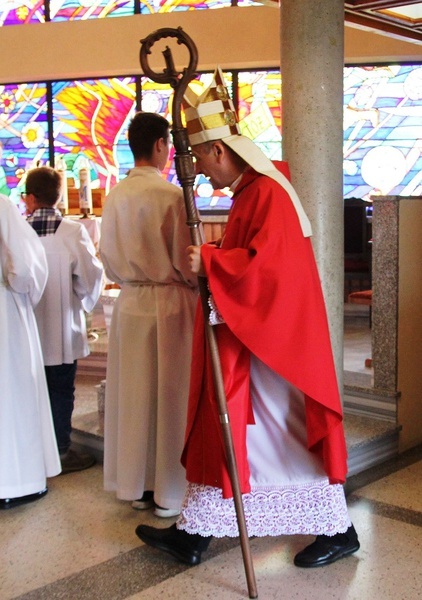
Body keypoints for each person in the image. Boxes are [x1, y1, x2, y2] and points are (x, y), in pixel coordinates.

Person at [136, 67, 360, 568]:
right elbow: (254, 255)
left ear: (219, 150)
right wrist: (219, 255)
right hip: (259, 338)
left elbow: (270, 268)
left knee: (274, 430)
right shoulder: (253, 192)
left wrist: (212, 261)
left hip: (274, 345)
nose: (197, 167)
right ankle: (197, 530)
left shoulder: (266, 192)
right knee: (238, 428)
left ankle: (338, 528)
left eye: (198, 156)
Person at [100, 112, 198, 517]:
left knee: (134, 397)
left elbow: (107, 260)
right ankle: (169, 493)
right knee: (169, 397)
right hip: (168, 304)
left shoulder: (116, 195)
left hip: (130, 303)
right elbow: (185, 261)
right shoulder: (171, 196)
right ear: (162, 145)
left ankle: (135, 486)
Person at [24, 166, 103, 474]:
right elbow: (90, 275)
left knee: (31, 389)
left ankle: (32, 451)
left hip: (27, 329)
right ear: (58, 198)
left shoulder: (17, 230)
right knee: (60, 389)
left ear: (30, 198)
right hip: (61, 327)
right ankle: (60, 451)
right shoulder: (71, 231)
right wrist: (81, 299)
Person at [0, 194, 61, 508]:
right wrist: (24, 296)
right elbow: (25, 267)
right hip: (4, 316)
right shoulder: (2, 206)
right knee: (13, 395)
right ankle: (17, 480)